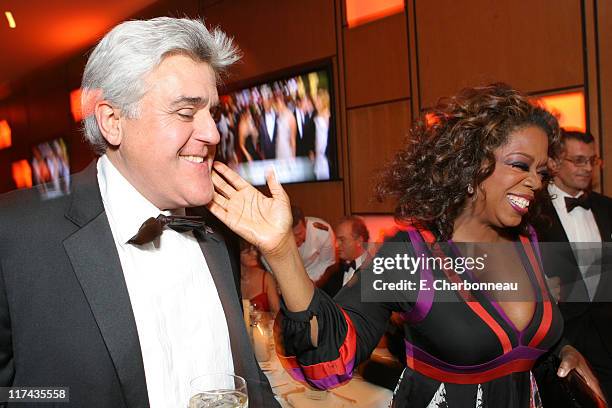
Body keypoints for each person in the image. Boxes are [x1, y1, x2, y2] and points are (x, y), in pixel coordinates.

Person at [207, 83, 606, 407]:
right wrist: (280, 251)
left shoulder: (531, 242)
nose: (536, 182)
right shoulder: (409, 256)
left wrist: (563, 351)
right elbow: (331, 356)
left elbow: (541, 332)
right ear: (470, 166)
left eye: (540, 171)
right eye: (520, 165)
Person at [0, 17, 279, 408]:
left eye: (212, 112)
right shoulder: (15, 233)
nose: (214, 134)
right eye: (186, 112)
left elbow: (249, 380)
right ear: (113, 122)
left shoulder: (219, 231)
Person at [535, 129, 612, 399]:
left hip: (606, 337)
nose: (588, 167)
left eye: (593, 160)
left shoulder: (606, 208)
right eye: (578, 160)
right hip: (558, 341)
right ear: (554, 163)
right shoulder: (531, 212)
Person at [318, 216, 371, 297]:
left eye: (342, 240)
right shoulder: (332, 271)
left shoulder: (377, 271)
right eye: (337, 240)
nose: (336, 245)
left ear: (359, 241)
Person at [290, 205, 336, 283]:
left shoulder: (322, 232)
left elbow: (326, 262)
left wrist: (311, 281)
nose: (295, 240)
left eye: (299, 234)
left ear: (306, 224)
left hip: (316, 276)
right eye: (291, 236)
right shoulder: (274, 237)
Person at [240, 241, 280, 314]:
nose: (255, 253)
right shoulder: (230, 280)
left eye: (254, 249)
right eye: (247, 252)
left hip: (264, 325)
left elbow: (277, 313)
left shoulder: (266, 277)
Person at [273, 86, 297, 160]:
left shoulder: (291, 117)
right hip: (279, 150)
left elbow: (293, 140)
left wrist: (293, 158)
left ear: (282, 101)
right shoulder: (279, 116)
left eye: (277, 103)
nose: (276, 106)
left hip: (287, 152)